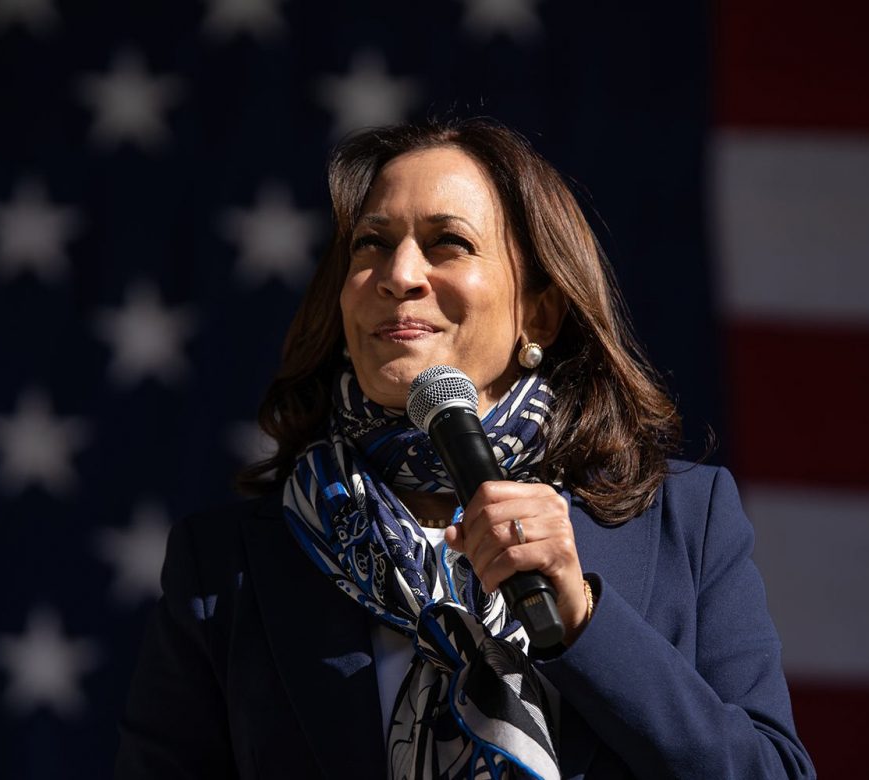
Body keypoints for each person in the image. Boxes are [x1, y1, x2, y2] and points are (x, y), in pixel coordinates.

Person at [114, 118, 815, 779]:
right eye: (371, 243)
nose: (400, 274)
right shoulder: (226, 566)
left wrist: (583, 621)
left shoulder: (686, 522)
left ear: (539, 312)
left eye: (447, 242)